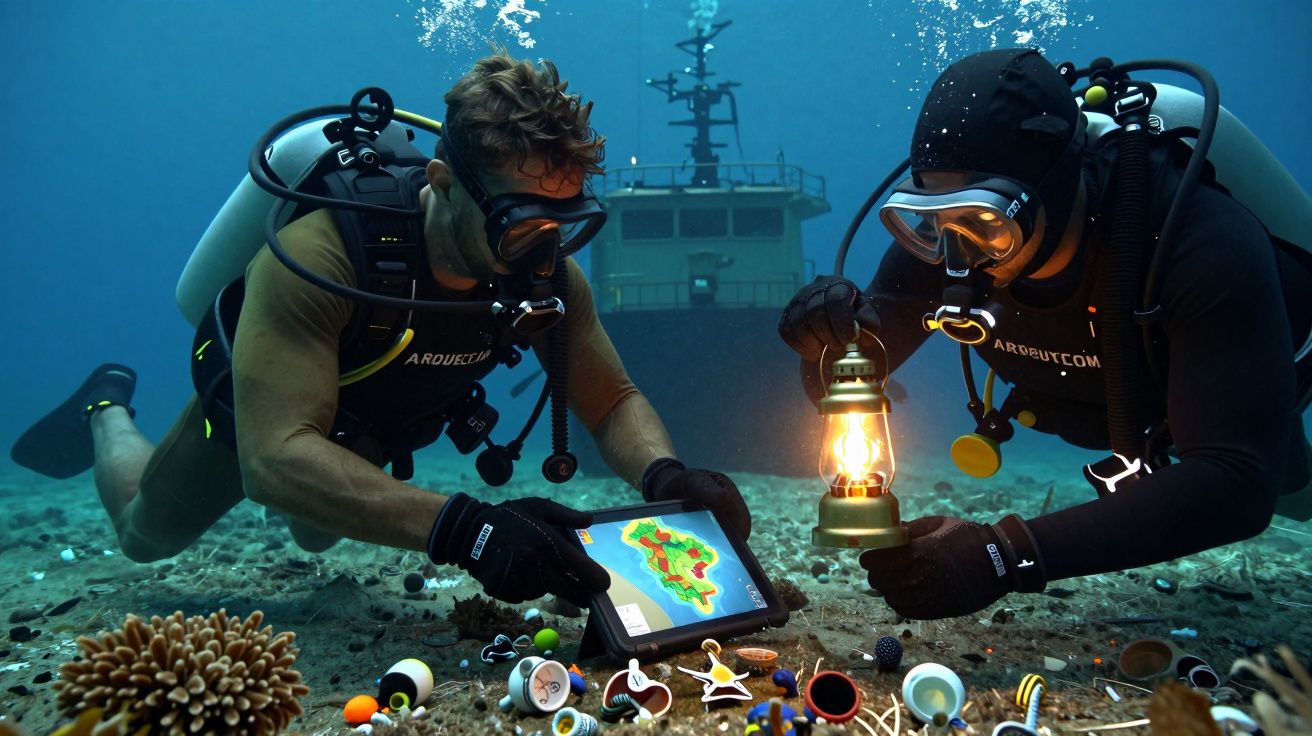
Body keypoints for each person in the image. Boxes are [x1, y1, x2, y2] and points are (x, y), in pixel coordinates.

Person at [11, 50, 750, 609]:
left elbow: (611, 400)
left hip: (371, 424)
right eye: (521, 220)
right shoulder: (323, 254)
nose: (545, 246)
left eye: (565, 219)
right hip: (265, 412)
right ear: (443, 183)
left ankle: (317, 496)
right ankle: (107, 406)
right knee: (145, 536)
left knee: (315, 529)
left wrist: (666, 476)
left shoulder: (545, 269)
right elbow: (273, 460)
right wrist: (472, 530)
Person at [778, 48, 1312, 620]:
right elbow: (850, 377)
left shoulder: (1199, 244)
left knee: (1295, 497)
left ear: (1056, 188)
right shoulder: (948, 242)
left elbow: (1234, 484)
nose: (956, 256)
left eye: (985, 220)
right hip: (1088, 404)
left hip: (1220, 385)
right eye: (933, 218)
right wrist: (825, 339)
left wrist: (1007, 554)